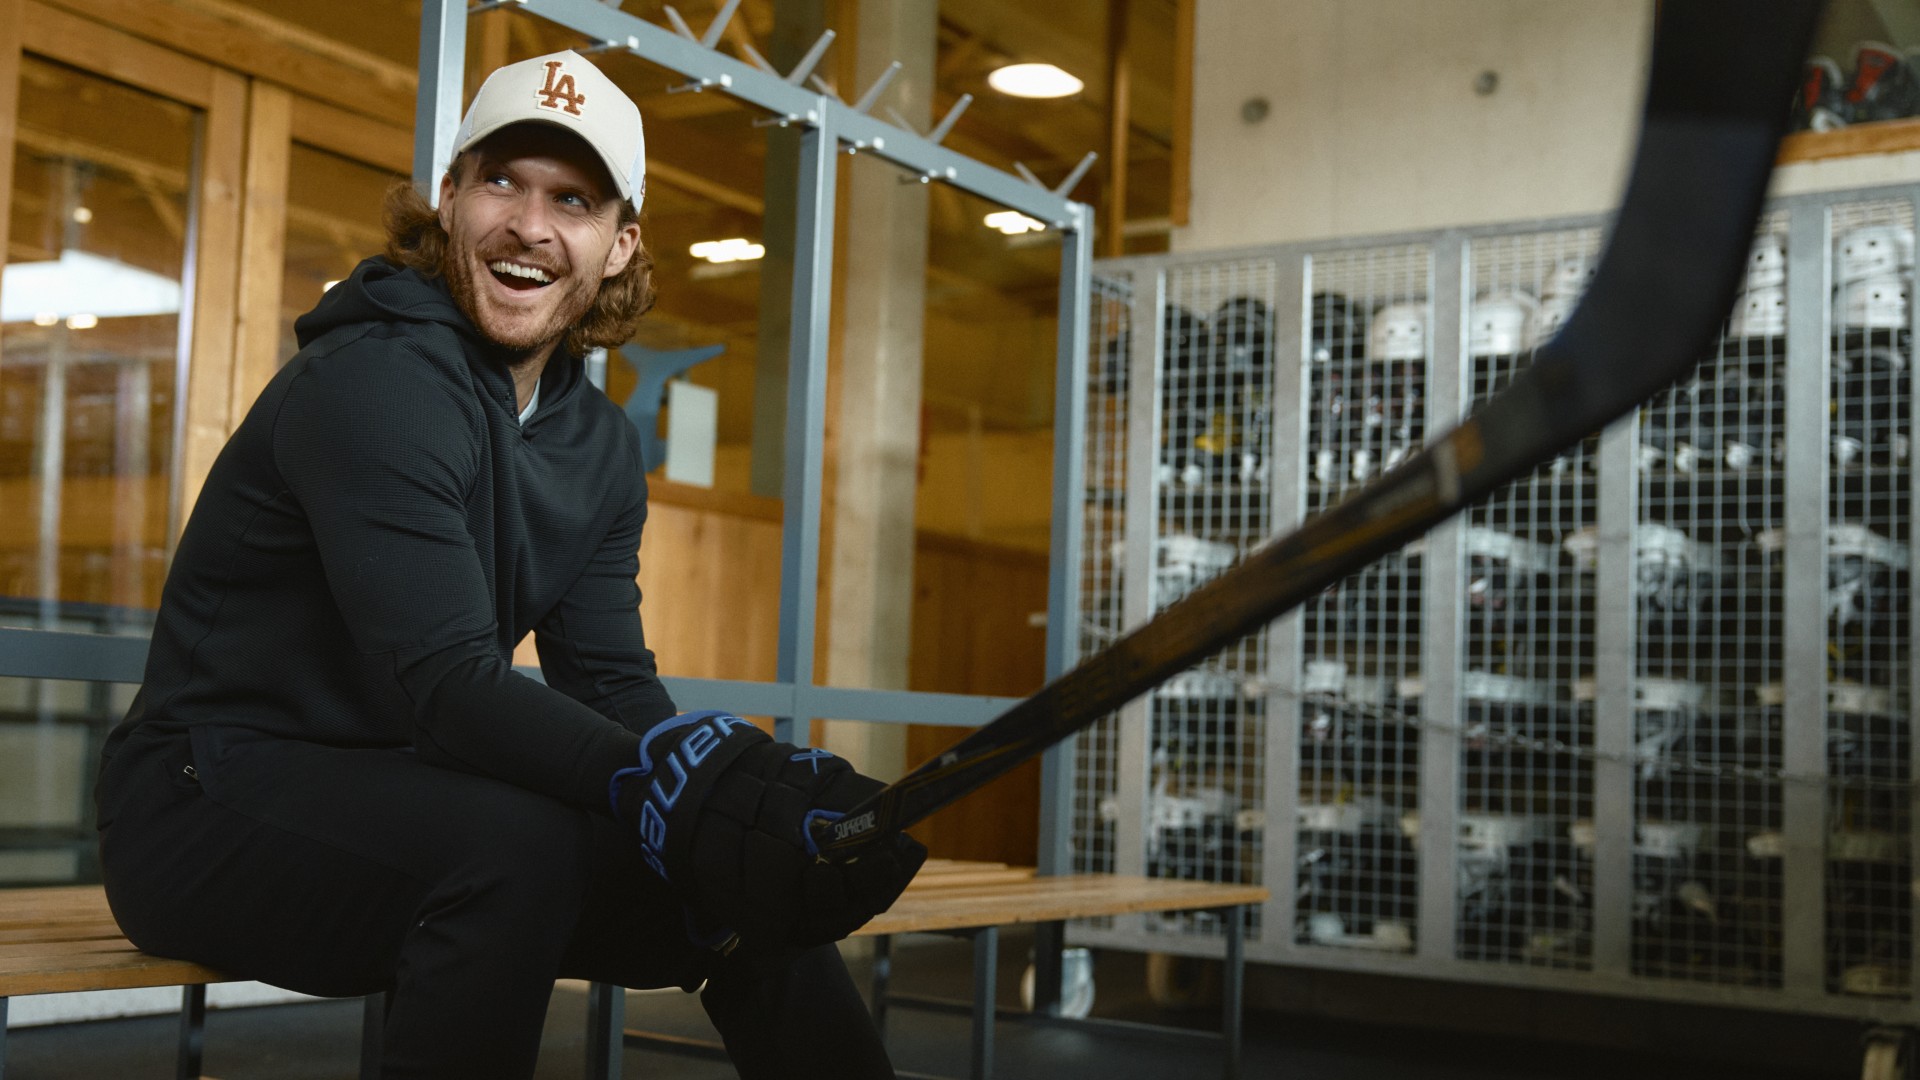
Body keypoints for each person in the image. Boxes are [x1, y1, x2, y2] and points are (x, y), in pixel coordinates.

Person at [94, 50, 925, 1080]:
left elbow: (610, 684)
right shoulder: (374, 384)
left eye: (572, 200)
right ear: (450, 201)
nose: (529, 225)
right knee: (519, 849)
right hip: (198, 806)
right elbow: (447, 682)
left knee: (738, 874)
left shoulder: (599, 445)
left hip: (398, 798)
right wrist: (694, 784)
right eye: (501, 182)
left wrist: (725, 802)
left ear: (618, 246)